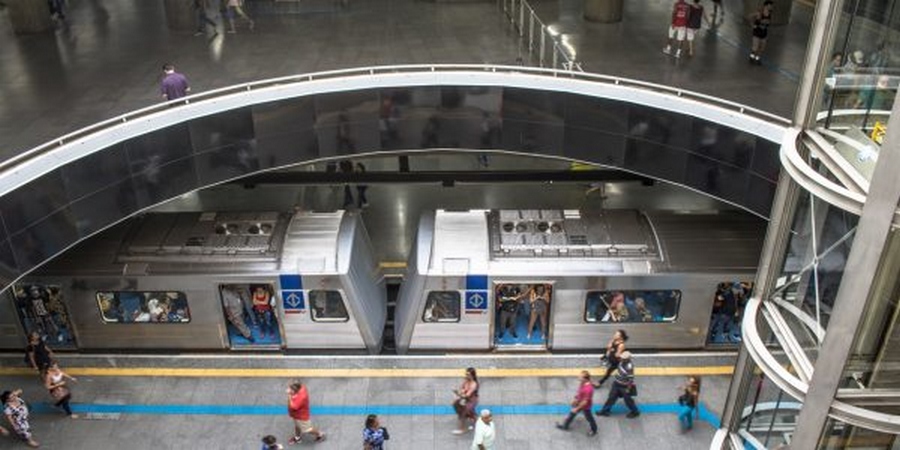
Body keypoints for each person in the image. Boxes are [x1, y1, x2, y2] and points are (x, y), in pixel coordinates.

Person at [595, 351, 640, 418]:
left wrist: (628, 388)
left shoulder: (629, 367)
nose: (621, 359)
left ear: (627, 359)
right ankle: (605, 411)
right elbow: (613, 365)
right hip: (616, 383)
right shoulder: (621, 362)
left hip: (624, 386)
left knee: (628, 401)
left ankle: (635, 412)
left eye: (623, 358)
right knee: (611, 398)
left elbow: (631, 379)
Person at [556, 371, 598, 436]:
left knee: (589, 418)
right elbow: (580, 392)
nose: (578, 377)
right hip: (579, 402)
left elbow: (585, 402)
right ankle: (565, 426)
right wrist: (575, 399)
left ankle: (594, 430)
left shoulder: (588, 389)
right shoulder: (582, 383)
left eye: (580, 377)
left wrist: (577, 408)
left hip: (585, 406)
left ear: (585, 379)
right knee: (572, 414)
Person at [452, 367, 479, 434]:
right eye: (466, 374)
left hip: (472, 400)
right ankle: (476, 420)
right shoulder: (465, 381)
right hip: (465, 398)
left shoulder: (474, 384)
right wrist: (459, 393)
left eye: (468, 374)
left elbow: (467, 395)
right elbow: (462, 390)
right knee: (455, 404)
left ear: (472, 375)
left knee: (464, 411)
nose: (466, 376)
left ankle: (462, 429)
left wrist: (458, 394)